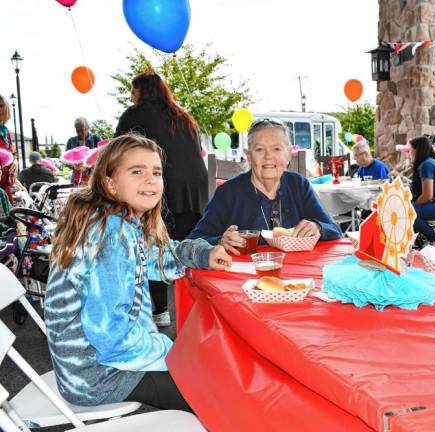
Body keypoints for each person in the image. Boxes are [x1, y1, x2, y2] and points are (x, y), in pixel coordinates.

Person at [45, 133, 232, 411]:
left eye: (156, 172)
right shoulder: (110, 234)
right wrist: (171, 351)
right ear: (110, 183)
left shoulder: (119, 221)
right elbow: (111, 339)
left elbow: (159, 257)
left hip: (98, 366)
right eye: (137, 171)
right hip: (100, 376)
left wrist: (204, 254)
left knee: (207, 362)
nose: (150, 179)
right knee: (223, 395)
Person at [116, 69, 209, 327]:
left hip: (164, 191)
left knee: (153, 248)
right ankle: (197, 308)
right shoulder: (183, 117)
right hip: (195, 194)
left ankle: (160, 309)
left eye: (133, 90)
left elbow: (117, 152)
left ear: (142, 91)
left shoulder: (134, 115)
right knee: (187, 250)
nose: (131, 96)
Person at [188, 118, 341, 252]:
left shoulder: (299, 185)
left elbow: (334, 230)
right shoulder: (228, 193)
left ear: (288, 154)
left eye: (276, 149)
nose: (268, 156)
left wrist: (317, 227)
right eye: (260, 149)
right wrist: (220, 241)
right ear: (249, 156)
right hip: (244, 279)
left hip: (297, 279)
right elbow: (193, 240)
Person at [0, 96, 16, 204]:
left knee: (12, 216)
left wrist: (14, 164)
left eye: (1, 106)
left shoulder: (6, 132)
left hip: (5, 184)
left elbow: (10, 156)